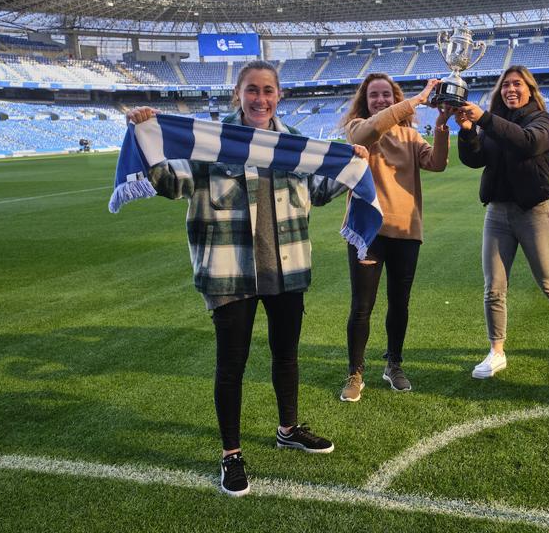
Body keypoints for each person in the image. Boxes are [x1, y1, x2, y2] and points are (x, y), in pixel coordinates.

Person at [125, 60, 368, 497]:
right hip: (228, 272)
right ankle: (231, 455)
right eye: (252, 90)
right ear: (239, 94)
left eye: (268, 90)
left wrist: (352, 167)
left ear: (279, 96)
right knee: (231, 365)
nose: (260, 98)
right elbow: (171, 182)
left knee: (286, 356)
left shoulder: (295, 143)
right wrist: (146, 136)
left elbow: (317, 190)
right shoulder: (211, 142)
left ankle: (288, 428)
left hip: (286, 269)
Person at [455, 65, 549, 379]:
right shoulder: (494, 123)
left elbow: (528, 143)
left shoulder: (541, 119)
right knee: (494, 288)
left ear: (529, 89)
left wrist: (484, 119)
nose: (511, 89)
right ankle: (497, 351)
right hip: (497, 213)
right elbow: (474, 159)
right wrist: (469, 131)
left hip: (533, 212)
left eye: (517, 84)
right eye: (506, 85)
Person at [338, 74, 449, 401]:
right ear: (365, 101)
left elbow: (438, 163)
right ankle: (355, 372)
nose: (382, 100)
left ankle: (394, 365)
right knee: (362, 305)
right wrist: (414, 101)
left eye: (387, 94)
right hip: (368, 231)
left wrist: (442, 122)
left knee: (399, 304)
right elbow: (369, 130)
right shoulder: (359, 129)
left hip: (406, 230)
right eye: (375, 96)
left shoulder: (411, 135)